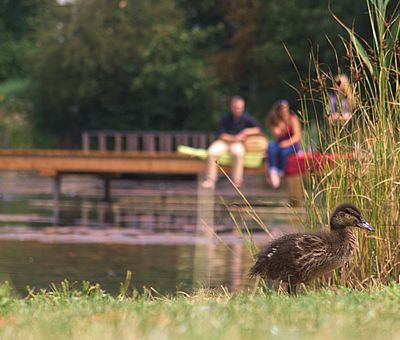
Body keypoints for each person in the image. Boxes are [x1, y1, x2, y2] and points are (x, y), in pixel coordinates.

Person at [201, 96, 262, 189]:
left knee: (238, 153)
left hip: (237, 144)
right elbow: (222, 136)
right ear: (232, 107)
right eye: (237, 108)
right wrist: (235, 138)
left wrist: (246, 131)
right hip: (224, 142)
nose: (239, 110)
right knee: (211, 152)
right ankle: (210, 180)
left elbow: (258, 129)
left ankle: (237, 181)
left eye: (241, 108)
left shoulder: (246, 117)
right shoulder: (225, 118)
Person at [266, 100, 302, 189]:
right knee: (271, 147)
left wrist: (287, 143)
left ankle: (280, 173)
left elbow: (297, 137)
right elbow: (277, 135)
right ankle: (273, 170)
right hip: (280, 143)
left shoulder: (293, 119)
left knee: (283, 152)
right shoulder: (276, 120)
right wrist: (283, 127)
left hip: (292, 145)